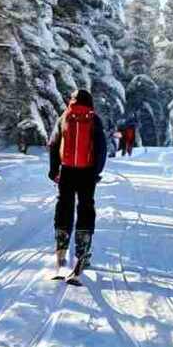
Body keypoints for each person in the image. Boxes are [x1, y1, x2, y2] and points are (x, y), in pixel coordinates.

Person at [48, 89, 108, 280]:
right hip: (87, 172)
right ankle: (82, 253)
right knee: (86, 208)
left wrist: (54, 170)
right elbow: (101, 147)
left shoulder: (64, 117)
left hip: (66, 171)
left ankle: (61, 250)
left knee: (64, 207)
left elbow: (54, 144)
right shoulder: (94, 119)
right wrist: (96, 172)